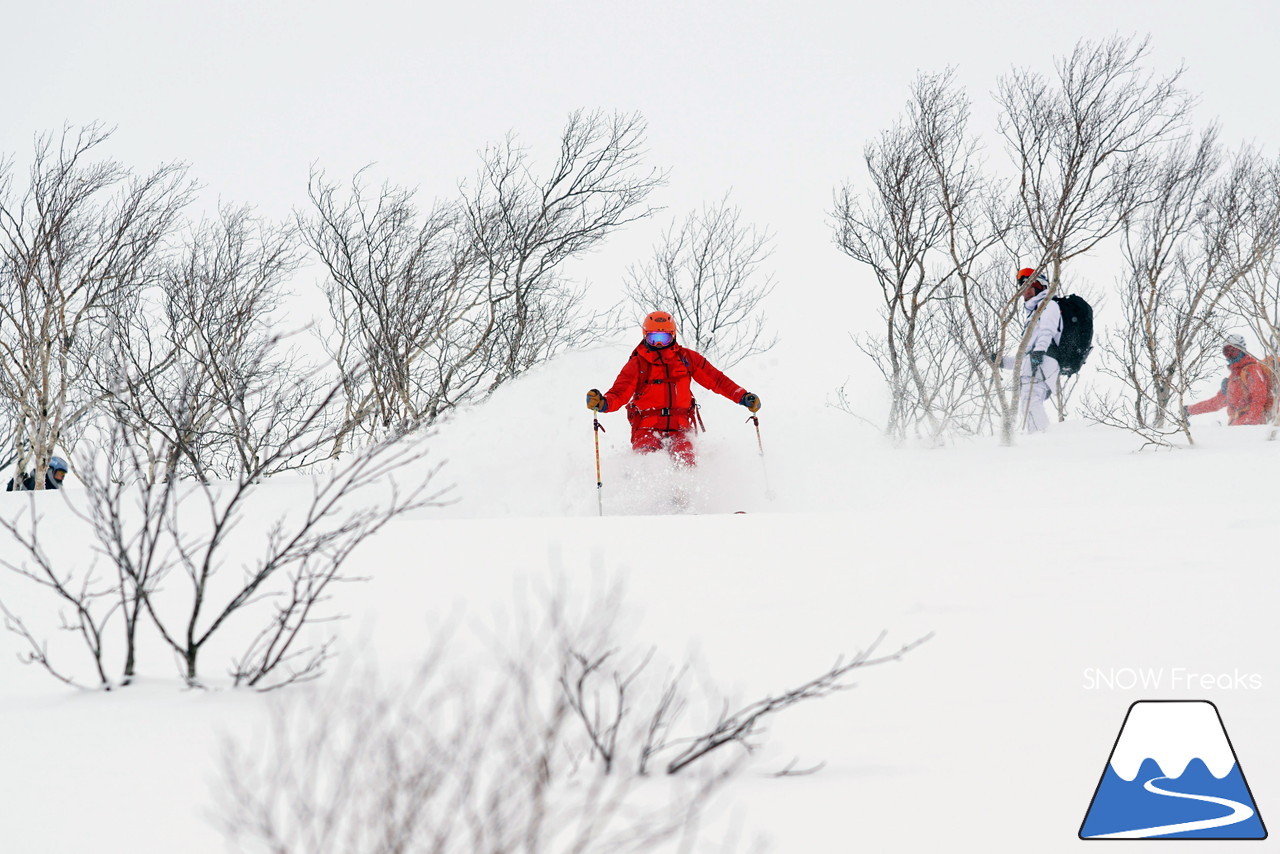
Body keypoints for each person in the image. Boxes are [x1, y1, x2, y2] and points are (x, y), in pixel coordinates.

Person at [586, 311, 760, 466]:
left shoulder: (687, 358)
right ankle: (646, 500)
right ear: (645, 336)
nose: (660, 344)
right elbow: (619, 392)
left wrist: (742, 396)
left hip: (680, 428)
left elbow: (717, 380)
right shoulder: (637, 363)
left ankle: (684, 500)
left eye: (664, 339)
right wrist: (603, 403)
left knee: (687, 462)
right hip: (647, 429)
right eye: (654, 338)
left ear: (673, 336)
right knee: (648, 464)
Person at [995, 268, 1063, 433]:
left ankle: (1045, 439)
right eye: (1022, 288)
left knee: (1030, 400)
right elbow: (1024, 356)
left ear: (1040, 287)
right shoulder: (1033, 314)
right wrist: (1002, 361)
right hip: (1035, 362)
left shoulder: (1048, 304)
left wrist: (1039, 352)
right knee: (1028, 402)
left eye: (1029, 287)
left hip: (1045, 360)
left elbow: (1048, 331)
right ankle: (1037, 440)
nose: (1025, 292)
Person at [1184, 334, 1275, 425]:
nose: (1230, 356)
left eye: (1234, 352)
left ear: (1242, 351)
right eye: (1227, 352)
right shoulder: (1233, 379)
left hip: (1251, 426)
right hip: (1236, 425)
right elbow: (1216, 403)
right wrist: (1189, 410)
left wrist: (1247, 422)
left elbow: (1258, 401)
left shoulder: (1252, 370)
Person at [5, 455, 70, 492]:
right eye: (61, 473)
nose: (62, 477)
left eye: (63, 474)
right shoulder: (32, 482)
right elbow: (13, 499)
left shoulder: (57, 490)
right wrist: (14, 484)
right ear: (50, 470)